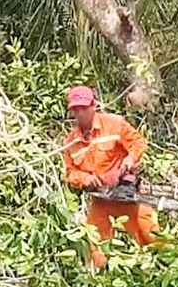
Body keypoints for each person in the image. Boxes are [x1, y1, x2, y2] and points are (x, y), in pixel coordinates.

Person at [62, 85, 157, 270]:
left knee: (149, 232)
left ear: (93, 105)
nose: (80, 113)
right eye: (76, 109)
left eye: (83, 108)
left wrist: (130, 159)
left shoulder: (114, 124)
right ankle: (96, 281)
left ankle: (169, 267)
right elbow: (70, 173)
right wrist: (85, 179)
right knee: (94, 244)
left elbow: (138, 143)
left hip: (126, 194)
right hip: (101, 199)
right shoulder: (71, 142)